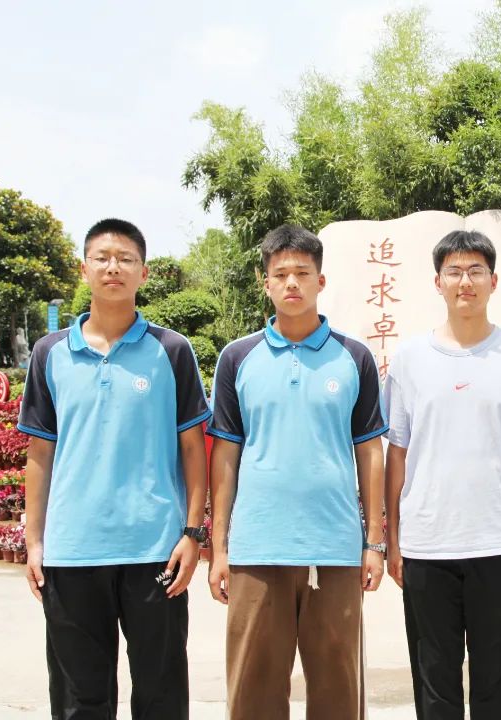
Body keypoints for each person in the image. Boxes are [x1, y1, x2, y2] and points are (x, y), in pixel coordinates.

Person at [19, 218, 210, 720]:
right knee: (80, 700)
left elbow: (194, 449)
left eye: (126, 259)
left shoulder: (171, 350)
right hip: (72, 550)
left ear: (143, 273)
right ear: (83, 269)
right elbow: (40, 453)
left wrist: (193, 533)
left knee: (162, 693)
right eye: (102, 258)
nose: (113, 268)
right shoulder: (49, 353)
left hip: (155, 549)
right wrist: (35, 540)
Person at [207, 224, 386, 720]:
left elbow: (370, 452)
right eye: (281, 273)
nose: (292, 283)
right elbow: (225, 455)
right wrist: (219, 547)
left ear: (320, 281)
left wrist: (373, 543)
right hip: (257, 547)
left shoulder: (353, 358)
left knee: (337, 692)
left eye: (303, 273)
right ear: (265, 282)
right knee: (254, 694)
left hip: (334, 548)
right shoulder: (237, 358)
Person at [383, 230, 501, 720]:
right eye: (454, 272)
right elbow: (398, 453)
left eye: (476, 271)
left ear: (493, 281)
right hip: (426, 544)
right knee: (434, 680)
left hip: (499, 542)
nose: (465, 282)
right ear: (437, 282)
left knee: (497, 678)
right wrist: (392, 539)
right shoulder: (410, 359)